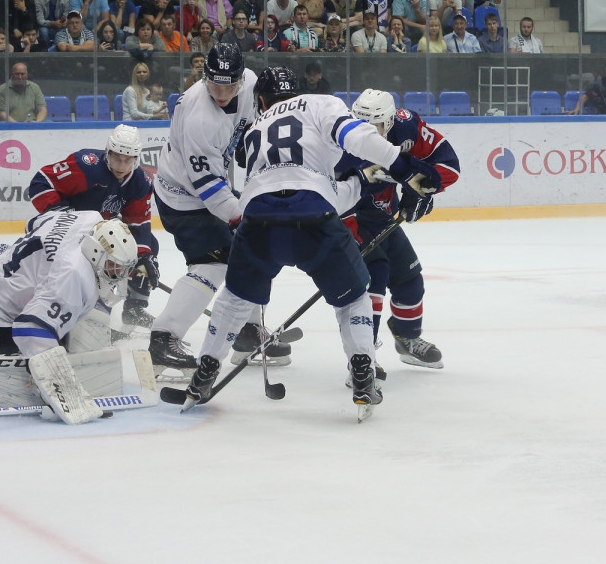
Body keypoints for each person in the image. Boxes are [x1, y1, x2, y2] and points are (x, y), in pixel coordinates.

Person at [181, 68, 440, 415]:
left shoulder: (254, 129)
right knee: (355, 297)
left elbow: (274, 182)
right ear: (301, 91)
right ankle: (363, 372)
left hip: (259, 219)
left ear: (261, 100)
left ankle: (205, 370)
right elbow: (356, 141)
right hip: (314, 216)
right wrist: (401, 164)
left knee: (234, 299)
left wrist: (361, 181)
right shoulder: (321, 104)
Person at [150, 43, 292, 375]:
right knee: (214, 264)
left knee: (250, 250)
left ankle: (245, 332)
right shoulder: (199, 115)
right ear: (204, 77)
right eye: (215, 84)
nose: (222, 92)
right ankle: (162, 340)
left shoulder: (251, 84)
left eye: (229, 84)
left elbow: (258, 131)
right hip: (183, 197)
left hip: (213, 187)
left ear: (241, 78)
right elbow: (208, 187)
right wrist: (245, 217)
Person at [0, 209, 140, 424]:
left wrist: (41, 267)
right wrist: (63, 391)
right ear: (96, 251)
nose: (120, 275)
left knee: (77, 308)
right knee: (65, 327)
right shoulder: (72, 277)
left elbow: (34, 222)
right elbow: (30, 329)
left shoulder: (89, 218)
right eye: (114, 267)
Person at [333, 87, 456, 378]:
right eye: (361, 124)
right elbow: (329, 196)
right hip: (347, 217)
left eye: (374, 126)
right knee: (374, 279)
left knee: (410, 279)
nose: (367, 133)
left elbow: (449, 164)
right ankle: (362, 357)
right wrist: (353, 234)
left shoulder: (406, 127)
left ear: (389, 123)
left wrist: (424, 190)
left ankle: (406, 337)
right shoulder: (338, 143)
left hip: (383, 216)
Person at [27, 125, 164, 334]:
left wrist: (144, 258)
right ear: (108, 152)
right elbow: (41, 182)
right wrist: (62, 214)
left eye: (128, 160)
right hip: (64, 228)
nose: (121, 165)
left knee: (147, 245)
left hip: (98, 232)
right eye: (117, 158)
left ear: (136, 158)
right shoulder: (86, 166)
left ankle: (134, 308)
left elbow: (138, 223)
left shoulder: (140, 182)